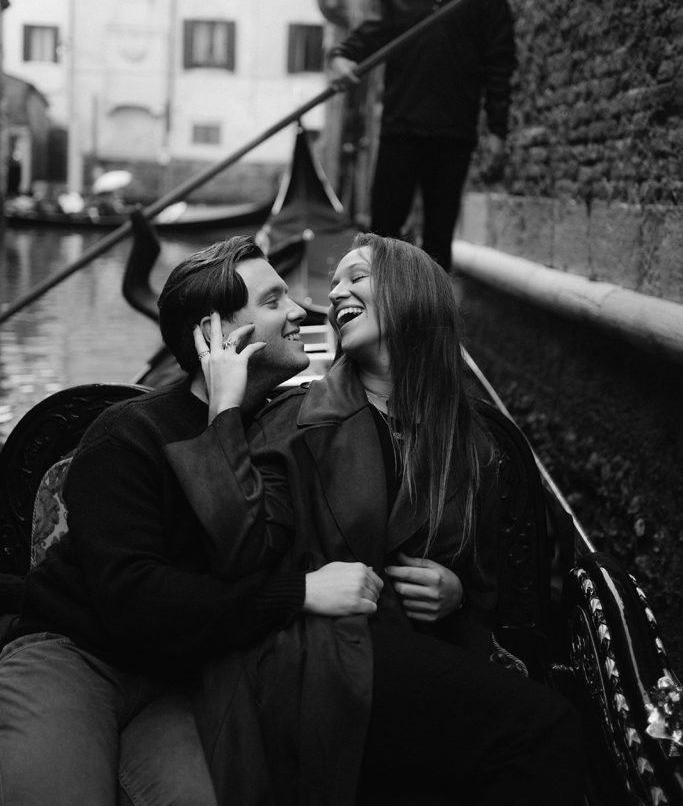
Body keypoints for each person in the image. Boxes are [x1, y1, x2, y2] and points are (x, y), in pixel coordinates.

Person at [194, 233, 584, 805]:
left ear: (412, 293)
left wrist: (457, 594)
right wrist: (224, 414)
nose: (335, 293)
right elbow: (239, 547)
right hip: (325, 654)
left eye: (357, 276)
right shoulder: (296, 423)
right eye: (333, 284)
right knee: (547, 727)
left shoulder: (471, 442)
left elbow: (496, 581)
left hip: (424, 655)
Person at [0, 236, 381, 806]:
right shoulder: (128, 433)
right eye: (275, 301)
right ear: (220, 333)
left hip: (185, 681)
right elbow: (133, 599)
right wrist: (295, 594)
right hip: (75, 654)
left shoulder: (280, 436)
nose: (303, 311)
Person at [328, 0, 517, 272]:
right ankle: (376, 314)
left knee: (438, 239)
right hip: (402, 127)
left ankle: (430, 324)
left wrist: (497, 130)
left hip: (453, 133)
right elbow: (366, 37)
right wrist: (341, 58)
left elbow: (500, 65)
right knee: (382, 235)